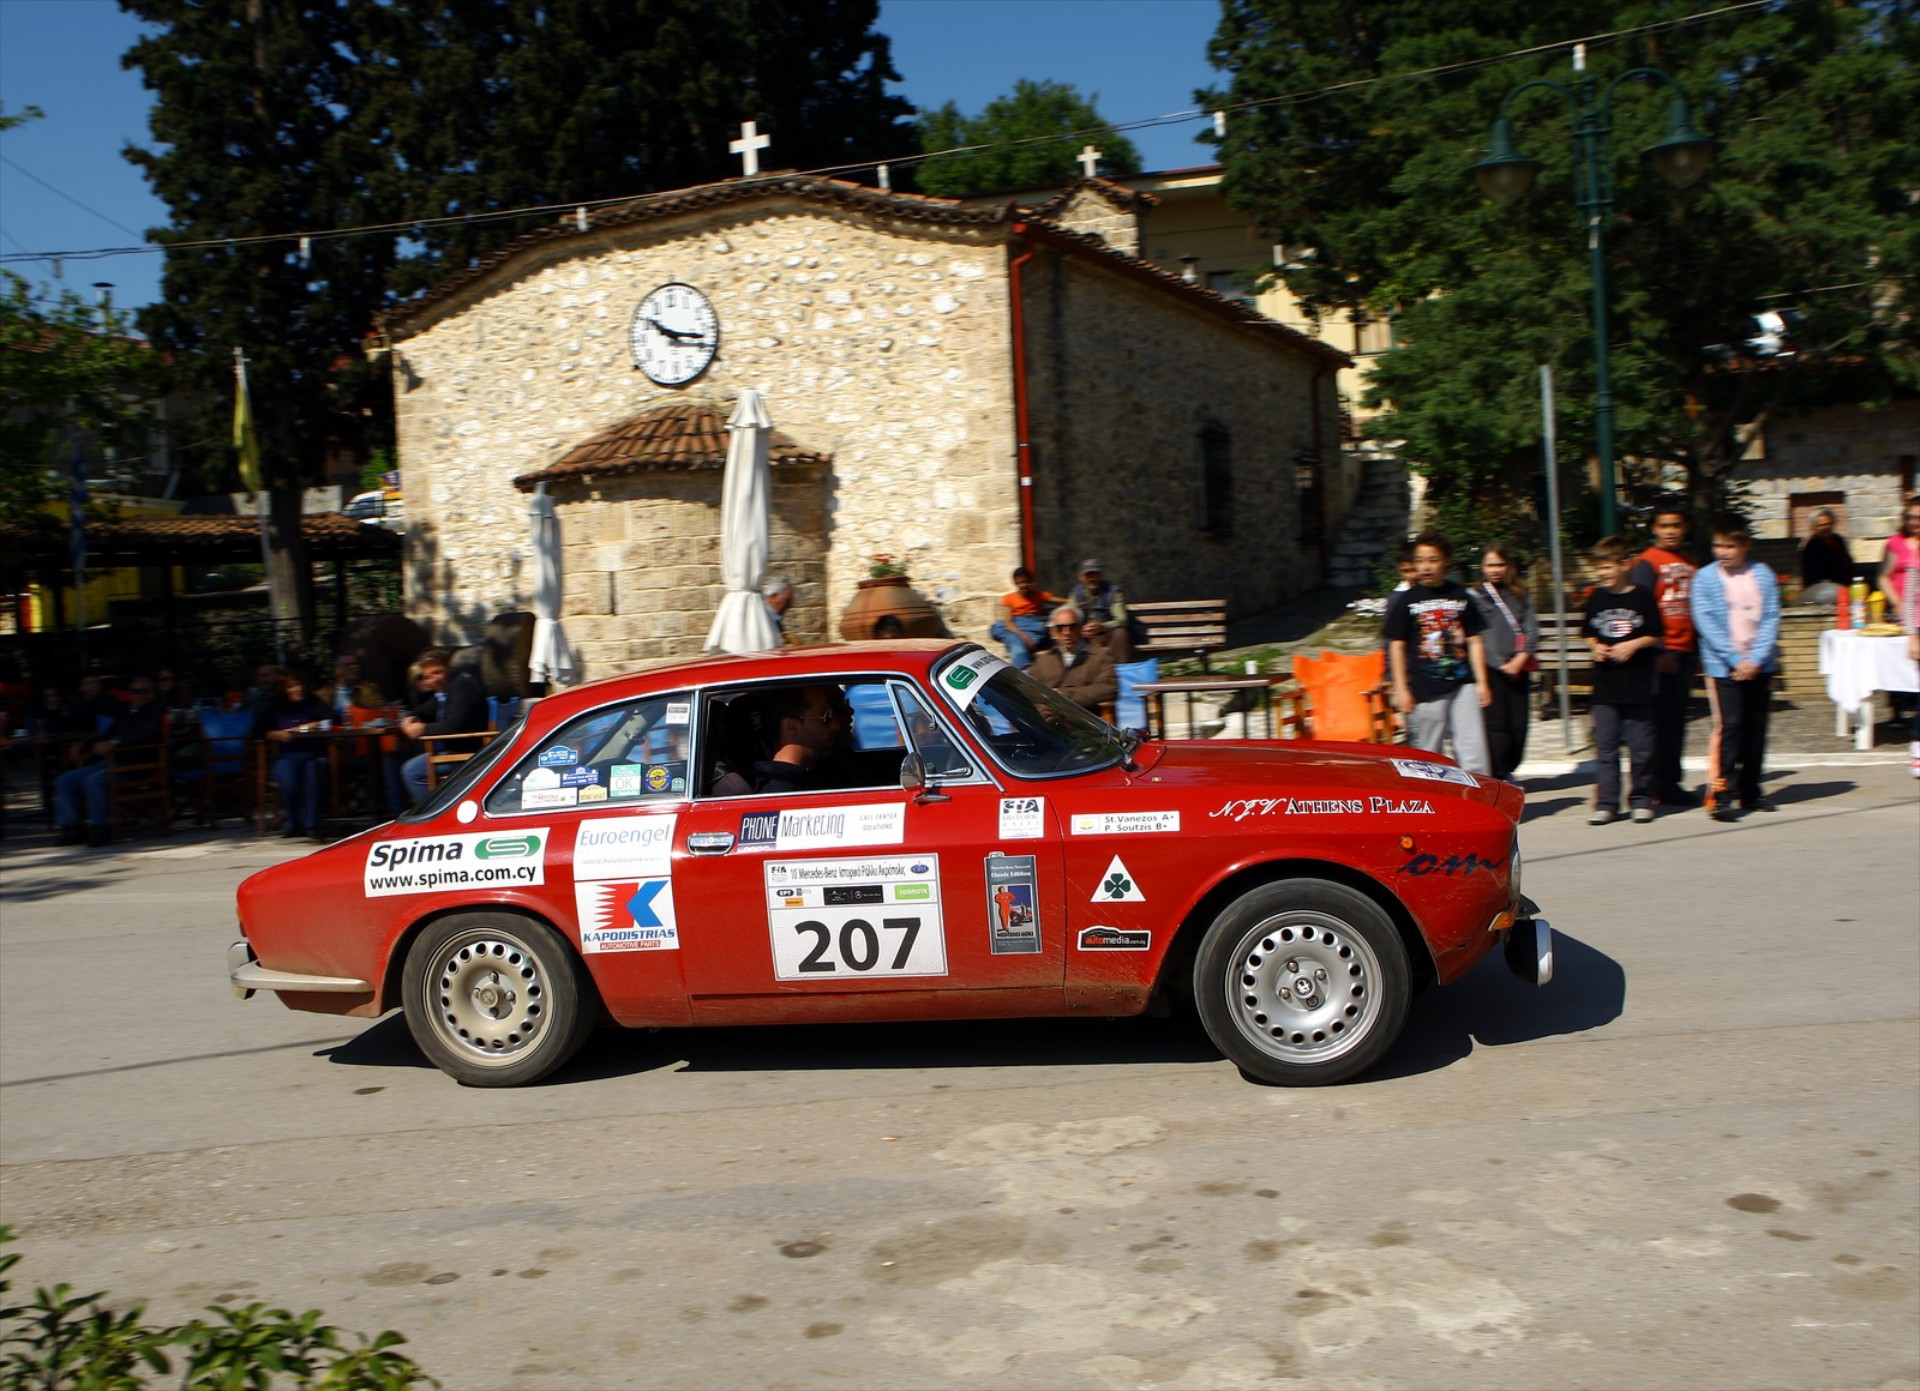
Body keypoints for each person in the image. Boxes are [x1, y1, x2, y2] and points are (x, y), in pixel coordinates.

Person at [1691, 516, 1782, 821]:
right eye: (1718, 545)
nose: (1723, 551)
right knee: (1730, 728)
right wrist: (1734, 660)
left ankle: (1751, 791)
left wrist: (1755, 660)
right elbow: (1706, 623)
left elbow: (1770, 618)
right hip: (1723, 667)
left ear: (1746, 546)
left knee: (1756, 729)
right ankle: (1722, 793)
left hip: (1759, 665)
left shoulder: (1763, 574)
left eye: (1730, 545)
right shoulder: (1705, 578)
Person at [1383, 531, 1491, 774]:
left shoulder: (1461, 596)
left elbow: (1475, 640)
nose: (1425, 567)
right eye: (1420, 560)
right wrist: (1401, 688)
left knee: (1473, 748)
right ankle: (1433, 804)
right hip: (1425, 688)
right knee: (1429, 754)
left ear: (1446, 562)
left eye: (1432, 560)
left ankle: (1478, 804)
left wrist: (1482, 682)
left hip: (1463, 683)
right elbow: (1397, 646)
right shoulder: (1407, 600)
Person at [1583, 537, 1664, 824]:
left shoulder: (1641, 596)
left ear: (1624, 565)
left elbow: (1656, 633)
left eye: (1607, 567)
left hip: (1637, 685)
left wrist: (1634, 645)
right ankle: (1607, 803)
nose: (1602, 573)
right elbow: (1589, 631)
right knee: (1606, 749)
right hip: (1605, 688)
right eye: (1599, 568)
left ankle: (1641, 799)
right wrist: (1594, 646)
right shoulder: (1596, 597)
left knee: (1640, 749)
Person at [1630, 500, 1701, 807]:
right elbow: (1641, 609)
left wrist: (1696, 650)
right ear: (1654, 529)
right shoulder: (1646, 563)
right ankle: (1653, 786)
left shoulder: (1691, 562)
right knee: (1657, 724)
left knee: (1675, 722)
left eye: (1676, 525)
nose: (1671, 531)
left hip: (1685, 650)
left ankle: (1670, 782)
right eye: (1664, 526)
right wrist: (1658, 650)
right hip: (1661, 653)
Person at [53, 675, 163, 847]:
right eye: (134, 691)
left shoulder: (156, 712)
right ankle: (73, 827)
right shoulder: (126, 712)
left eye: (144, 691)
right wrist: (83, 745)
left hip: (133, 766)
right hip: (110, 763)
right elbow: (105, 734)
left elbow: (147, 736)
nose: (138, 695)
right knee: (64, 781)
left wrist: (115, 743)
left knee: (93, 781)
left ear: (152, 693)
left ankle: (101, 828)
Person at [1468, 543, 1539, 781]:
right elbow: (1478, 637)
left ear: (1508, 566)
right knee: (1497, 727)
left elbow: (1532, 629)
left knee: (1519, 727)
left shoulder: (1520, 593)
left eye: (1500, 564)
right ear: (1482, 567)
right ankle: (1499, 774)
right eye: (1490, 565)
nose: (1496, 569)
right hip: (1491, 669)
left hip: (1519, 667)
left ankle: (1509, 766)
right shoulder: (1476, 597)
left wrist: (1520, 659)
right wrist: (1500, 664)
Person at [388, 653, 489, 810]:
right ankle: (395, 814)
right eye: (427, 676)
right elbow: (427, 709)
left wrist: (422, 729)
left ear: (448, 668)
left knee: (411, 771)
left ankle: (432, 814)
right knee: (393, 759)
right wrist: (411, 717)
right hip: (446, 750)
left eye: (437, 672)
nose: (432, 680)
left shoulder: (462, 685)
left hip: (465, 753)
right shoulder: (444, 690)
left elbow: (453, 725)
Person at [256, 667, 331, 839]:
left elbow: (329, 718)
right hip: (288, 754)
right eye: (292, 686)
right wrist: (277, 734)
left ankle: (312, 825)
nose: (298, 689)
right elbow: (258, 730)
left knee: (315, 772)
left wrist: (304, 728)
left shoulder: (313, 701)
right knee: (287, 778)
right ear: (284, 689)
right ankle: (293, 823)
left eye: (300, 685)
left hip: (313, 752)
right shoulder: (275, 706)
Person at [750, 685, 840, 793]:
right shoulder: (781, 793)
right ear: (791, 728)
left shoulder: (802, 778)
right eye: (826, 717)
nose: (836, 726)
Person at [1029, 605, 1118, 713]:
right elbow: (1028, 691)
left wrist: (1064, 695)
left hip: (1086, 720)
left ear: (1080, 629)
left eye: (1072, 627)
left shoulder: (1100, 655)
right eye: (1060, 628)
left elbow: (1108, 688)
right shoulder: (1043, 660)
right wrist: (1042, 708)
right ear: (1053, 632)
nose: (1067, 632)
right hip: (1048, 721)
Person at [989, 567, 1058, 671]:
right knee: (996, 628)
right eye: (1020, 583)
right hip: (1016, 624)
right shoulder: (1010, 598)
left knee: (1013, 638)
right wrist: (1024, 636)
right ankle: (1026, 643)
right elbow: (1008, 623)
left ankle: (1024, 670)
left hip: (1032, 623)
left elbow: (1062, 601)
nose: (1023, 585)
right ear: (1015, 583)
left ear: (1031, 581)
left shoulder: (1039, 595)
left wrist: (1078, 602)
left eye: (1026, 582)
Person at [1068, 559, 1135, 664]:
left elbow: (1122, 619)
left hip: (1107, 634)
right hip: (1085, 636)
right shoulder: (1076, 593)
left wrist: (1103, 626)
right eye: (1089, 575)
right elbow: (1070, 616)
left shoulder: (1113, 592)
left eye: (1096, 574)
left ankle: (1122, 671)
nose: (1093, 578)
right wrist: (1080, 629)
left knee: (1120, 633)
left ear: (1102, 575)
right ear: (1081, 577)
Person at [1798, 508, 1854, 594]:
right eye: (1821, 525)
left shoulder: (1838, 539)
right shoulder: (1812, 545)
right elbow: (1812, 573)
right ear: (1814, 527)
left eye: (1829, 524)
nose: (1826, 527)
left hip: (1844, 587)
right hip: (1823, 591)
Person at [318, 653, 382, 722]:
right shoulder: (323, 695)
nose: (355, 667)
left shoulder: (369, 690)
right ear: (337, 670)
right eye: (349, 664)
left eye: (356, 664)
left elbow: (379, 713)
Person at [763, 577, 795, 641]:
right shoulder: (762, 619)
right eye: (787, 600)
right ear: (773, 596)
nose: (789, 605)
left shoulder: (774, 620)